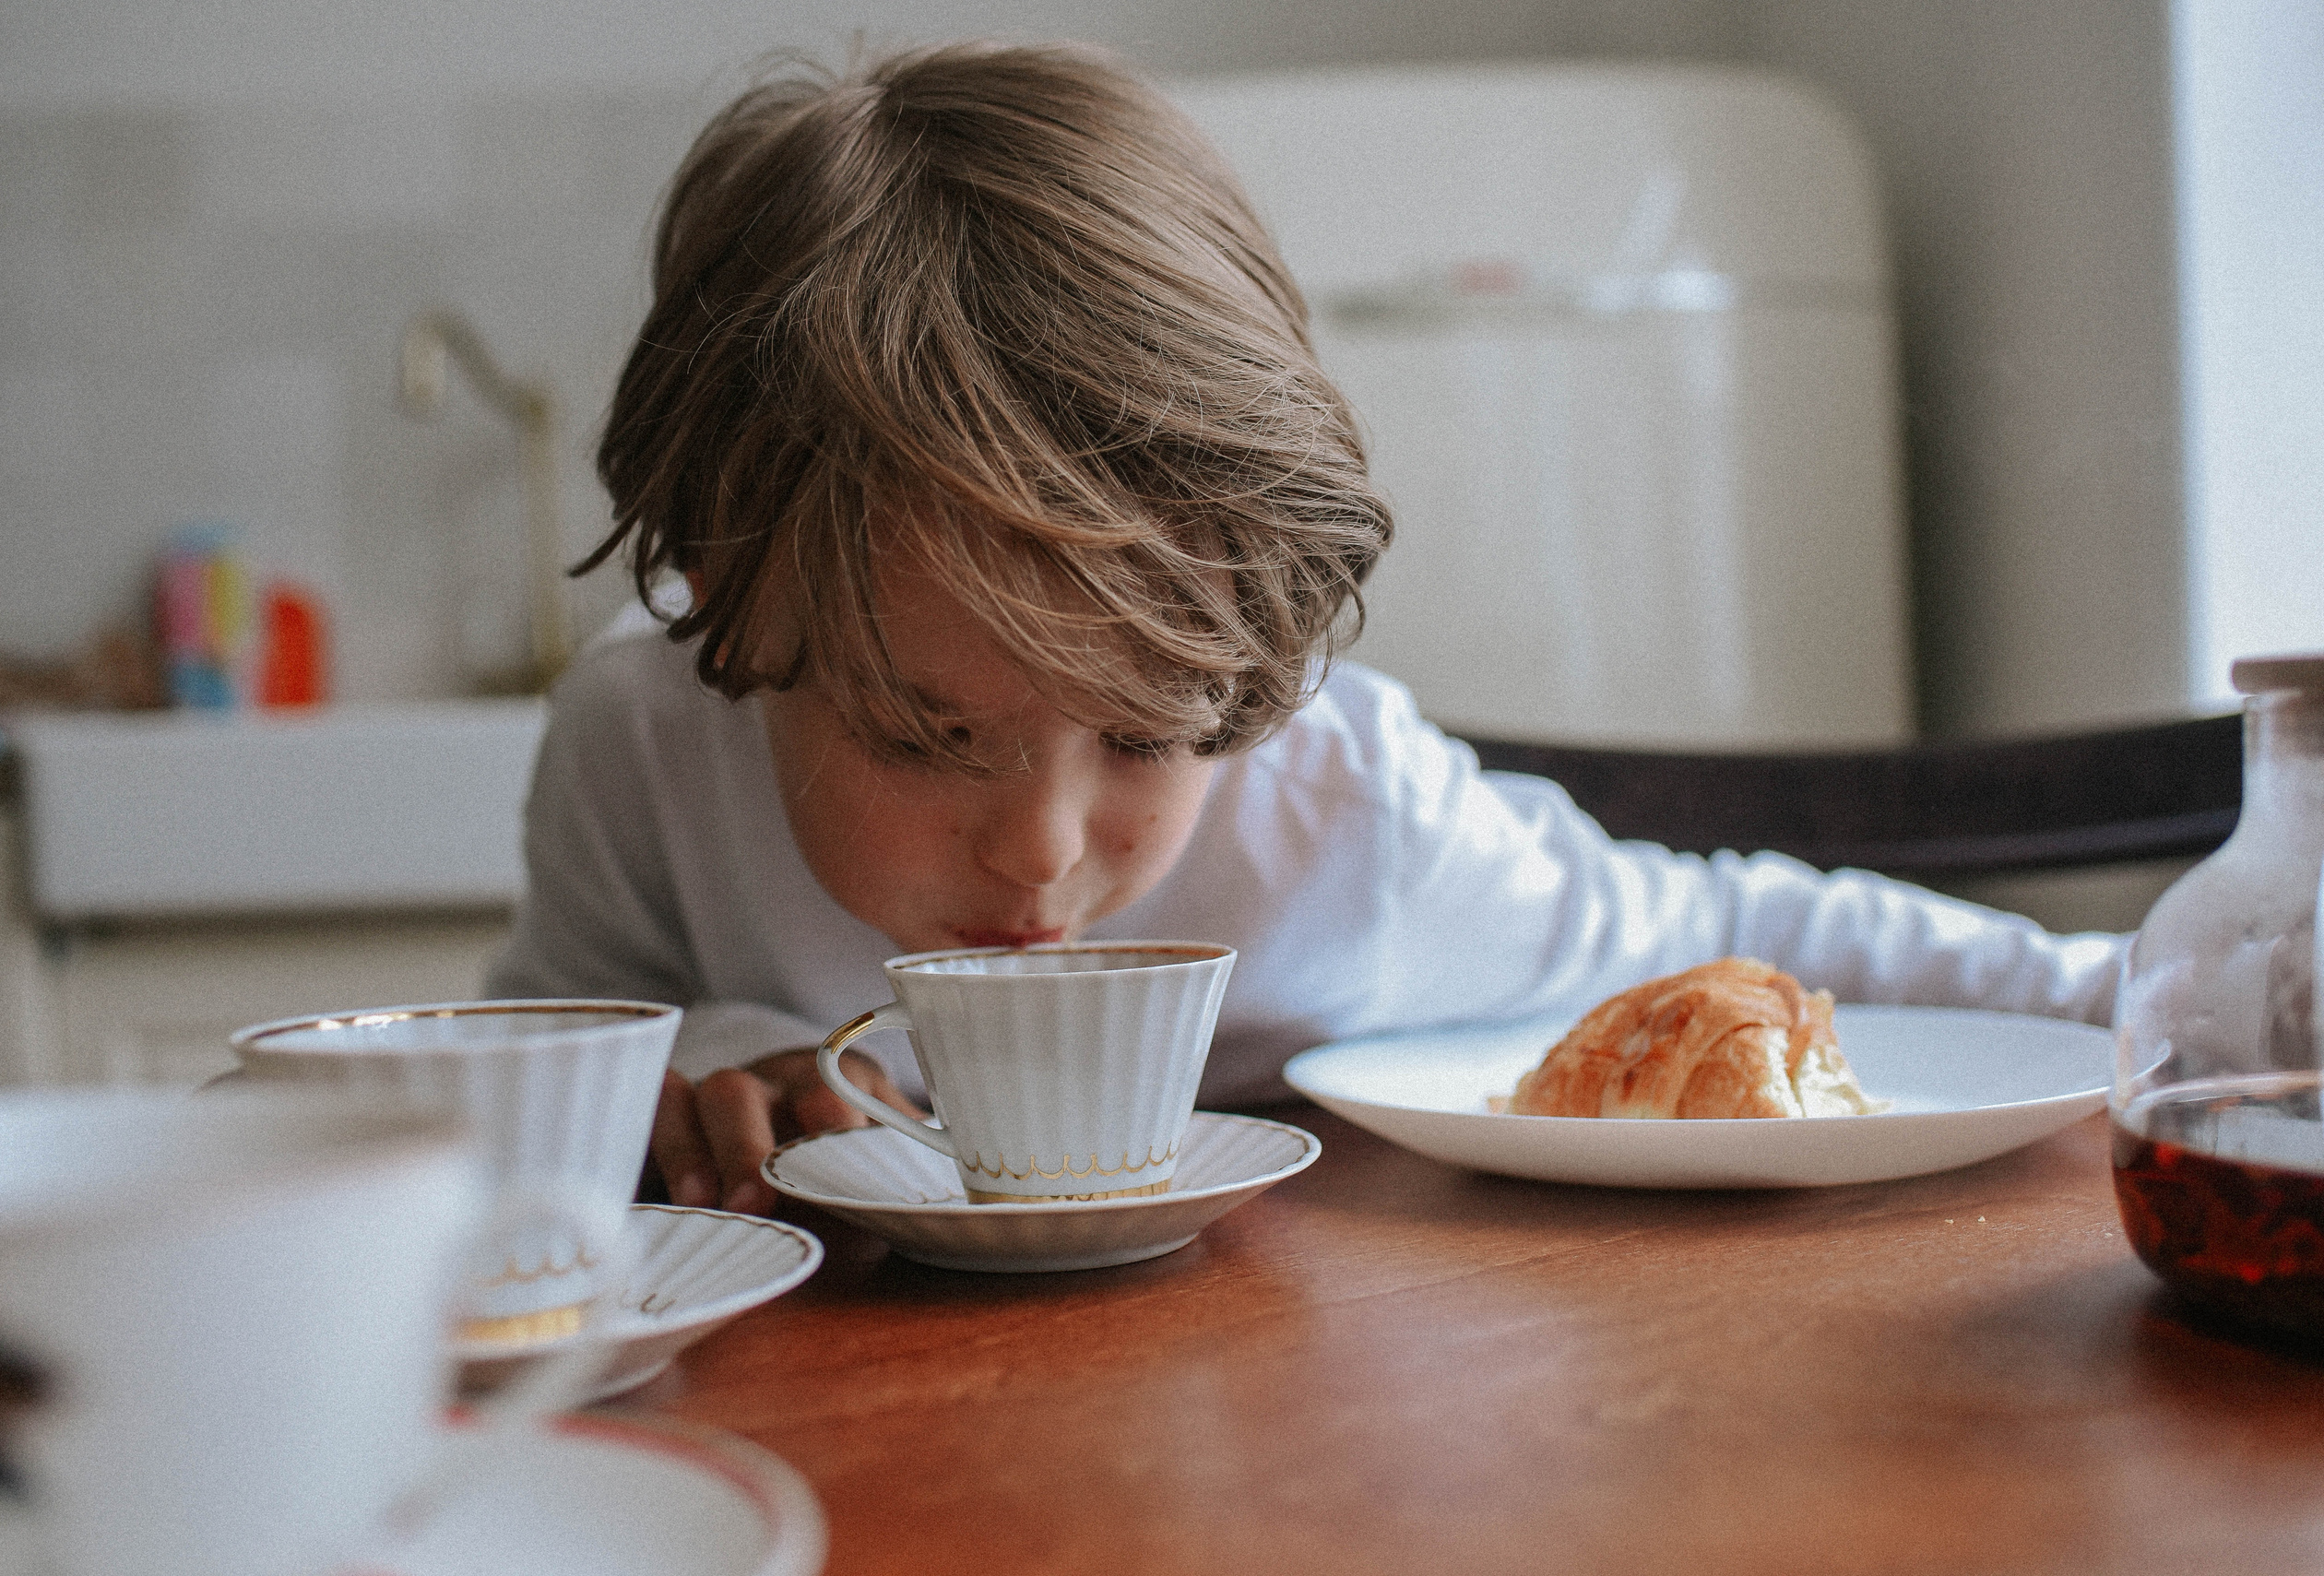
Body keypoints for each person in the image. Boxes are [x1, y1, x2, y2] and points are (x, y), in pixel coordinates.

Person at [486, 41, 2121, 1215]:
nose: (1044, 849)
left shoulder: (1350, 828)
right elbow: (528, 1070)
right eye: (927, 734)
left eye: (1148, 729)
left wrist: (2147, 991)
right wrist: (715, 1057)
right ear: (728, 593)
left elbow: (1738, 939)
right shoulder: (641, 753)